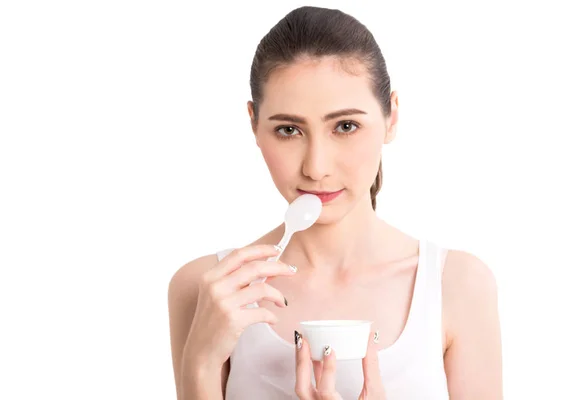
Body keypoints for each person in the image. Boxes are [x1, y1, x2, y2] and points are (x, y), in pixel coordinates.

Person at [168, 5, 502, 399]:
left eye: (346, 126)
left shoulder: (456, 284)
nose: (316, 167)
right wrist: (201, 365)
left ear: (391, 117)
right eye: (288, 130)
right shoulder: (210, 289)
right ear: (254, 124)